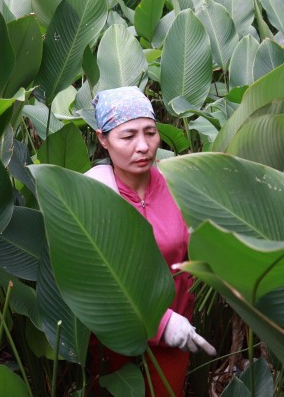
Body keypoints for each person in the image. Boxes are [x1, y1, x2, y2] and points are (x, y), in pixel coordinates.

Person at [85, 86, 215, 396]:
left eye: (150, 133)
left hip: (175, 336)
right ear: (102, 138)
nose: (143, 146)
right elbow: (97, 278)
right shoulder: (93, 195)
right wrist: (160, 322)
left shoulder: (179, 184)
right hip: (114, 338)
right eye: (127, 137)